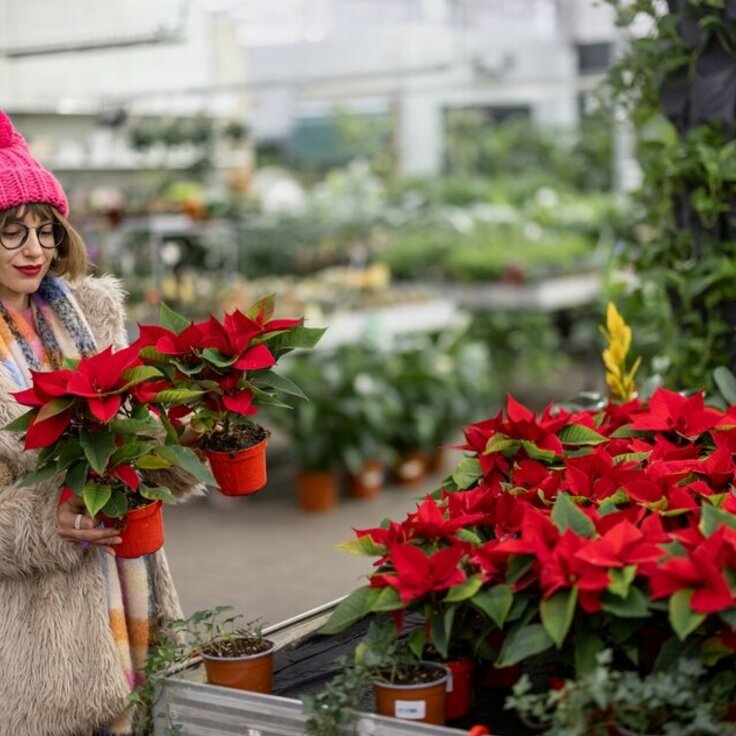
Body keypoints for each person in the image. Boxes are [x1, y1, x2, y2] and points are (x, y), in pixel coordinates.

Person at [0, 109, 202, 735]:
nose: (35, 249)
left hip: (128, 588)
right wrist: (48, 519)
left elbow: (130, 444)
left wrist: (180, 443)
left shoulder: (89, 317)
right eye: (11, 232)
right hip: (37, 642)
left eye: (45, 229)